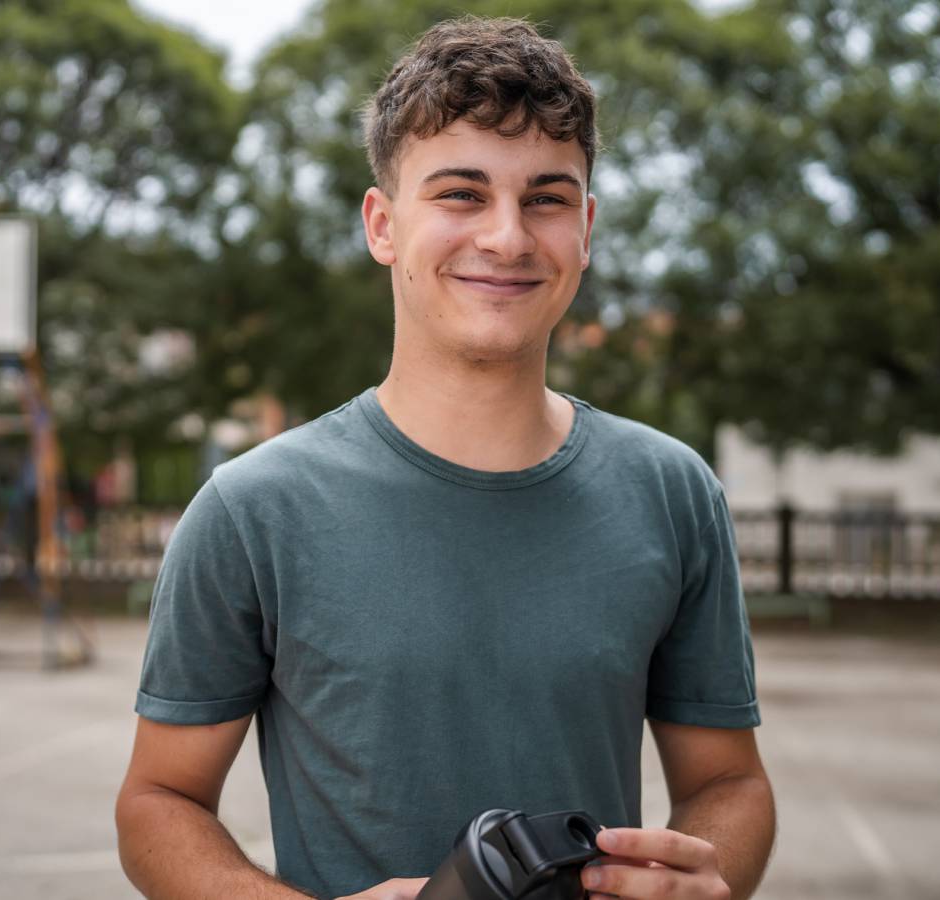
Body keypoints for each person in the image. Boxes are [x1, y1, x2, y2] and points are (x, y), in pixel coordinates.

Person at [115, 16, 774, 900]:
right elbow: (158, 800)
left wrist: (701, 875)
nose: (506, 237)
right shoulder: (251, 509)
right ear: (383, 224)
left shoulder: (673, 492)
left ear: (586, 227)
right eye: (461, 193)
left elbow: (729, 782)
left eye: (545, 198)